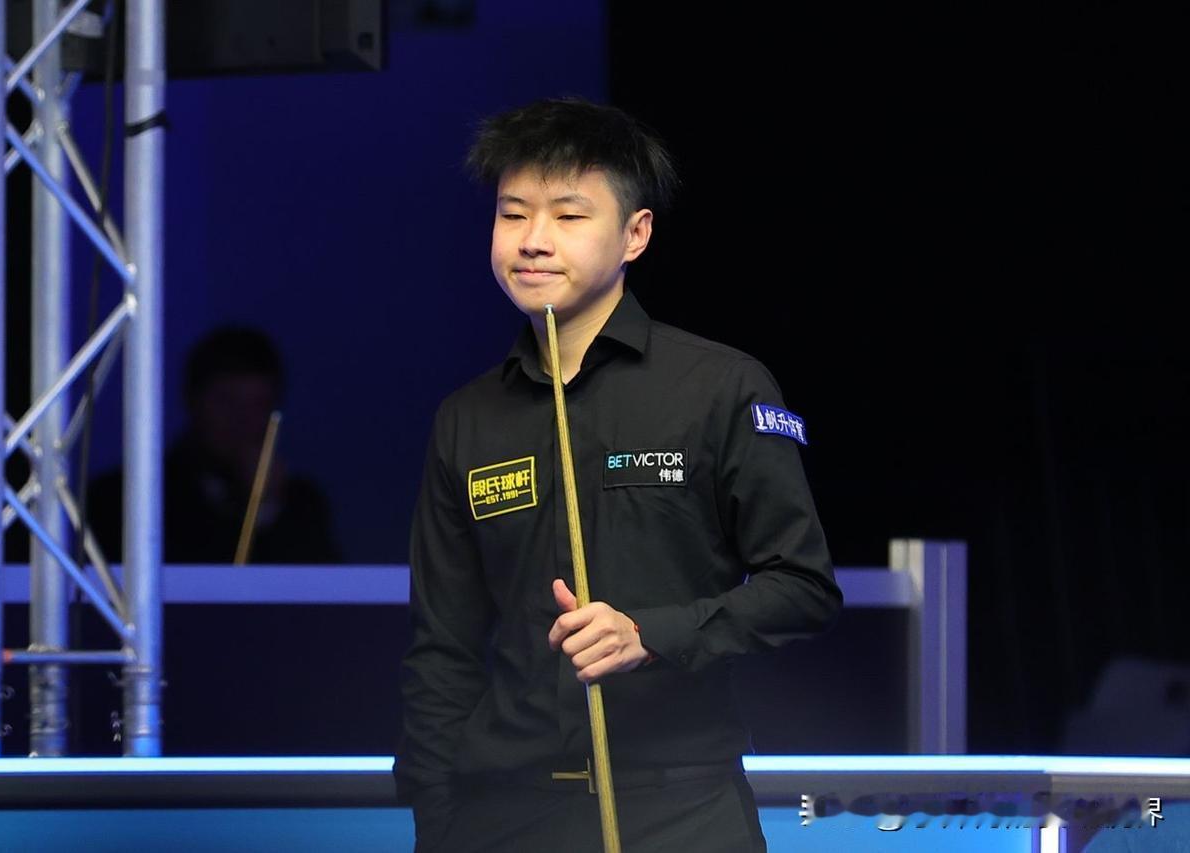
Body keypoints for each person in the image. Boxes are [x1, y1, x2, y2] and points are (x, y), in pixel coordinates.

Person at [395, 97, 842, 852]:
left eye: (569, 215)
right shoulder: (466, 418)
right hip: (503, 813)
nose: (533, 241)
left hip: (682, 810)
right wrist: (437, 817)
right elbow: (442, 647)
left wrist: (649, 633)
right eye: (512, 214)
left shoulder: (718, 386)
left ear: (636, 233)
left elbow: (802, 587)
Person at [89, 326, 340, 564]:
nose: (242, 420)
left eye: (258, 404)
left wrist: (266, 508)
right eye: (226, 401)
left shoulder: (300, 504)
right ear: (192, 401)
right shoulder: (126, 498)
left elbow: (319, 585)